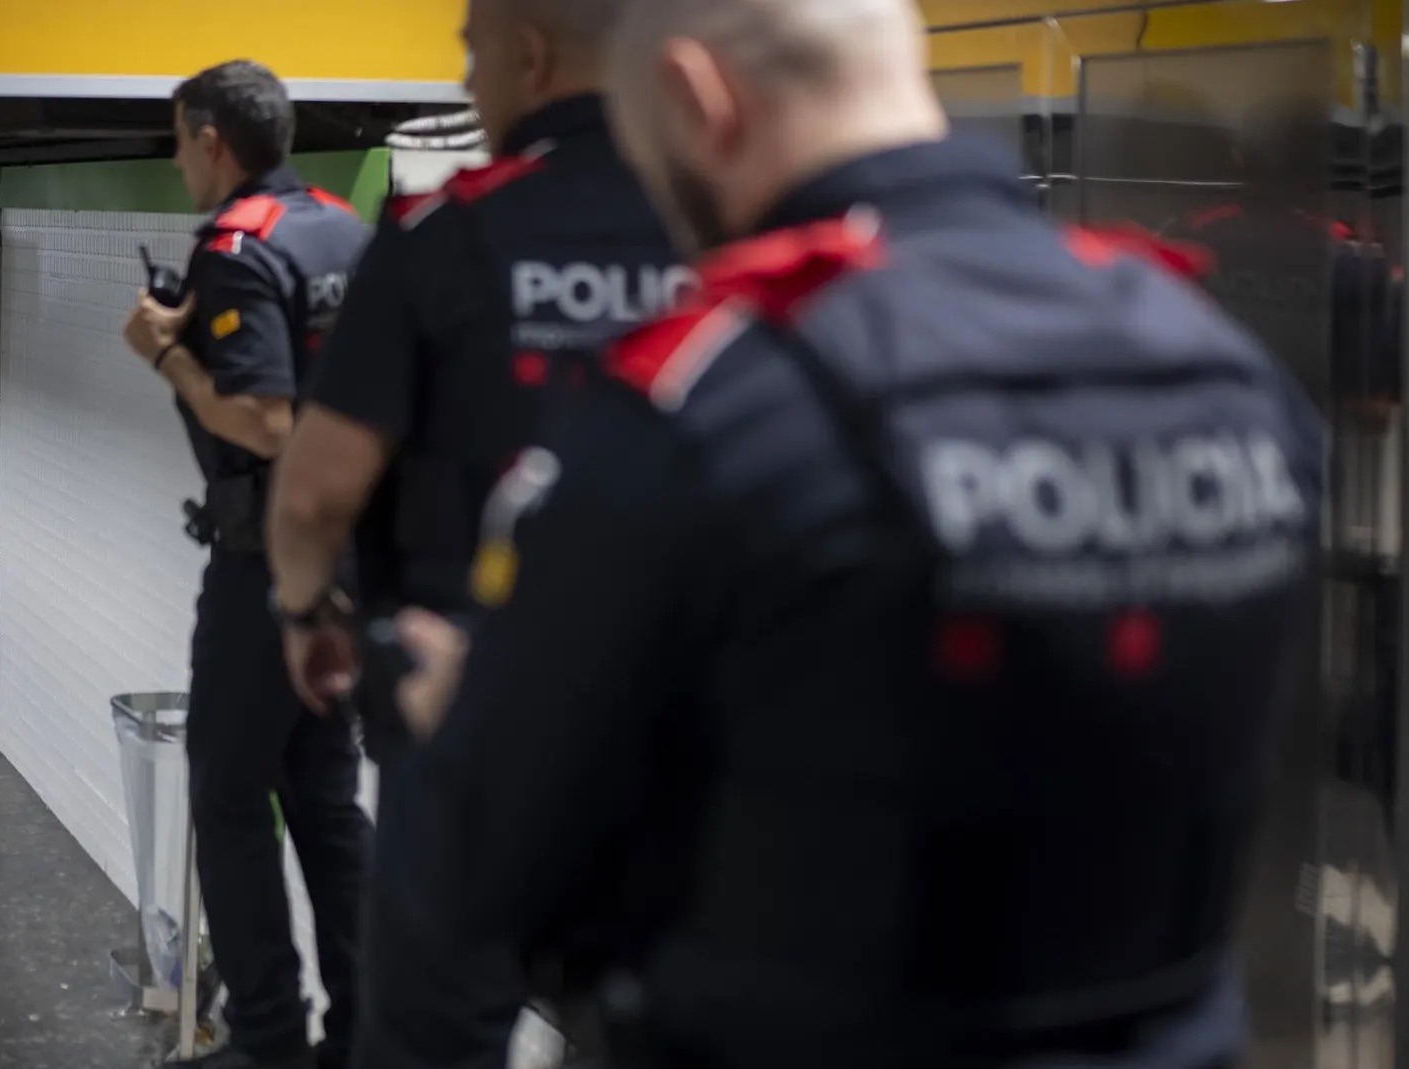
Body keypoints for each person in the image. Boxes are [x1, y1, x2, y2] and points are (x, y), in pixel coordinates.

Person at [391, 1, 1324, 1067]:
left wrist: (460, 709)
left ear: (703, 99)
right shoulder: (1214, 366)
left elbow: (489, 870)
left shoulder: (720, 403)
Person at [266, 0, 688, 1062]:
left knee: (435, 1037)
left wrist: (306, 612)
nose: (468, 84)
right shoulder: (721, 222)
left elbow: (315, 493)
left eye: (472, 57)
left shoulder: (444, 232)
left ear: (528, 53)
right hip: (684, 721)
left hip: (466, 700)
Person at [120, 60, 373, 1069]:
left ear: (211, 137)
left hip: (267, 559)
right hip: (351, 550)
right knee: (325, 798)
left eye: (181, 141)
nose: (180, 161)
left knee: (228, 796)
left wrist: (165, 355)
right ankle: (363, 1029)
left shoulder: (235, 246)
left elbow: (268, 421)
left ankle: (267, 1036)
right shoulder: (342, 230)